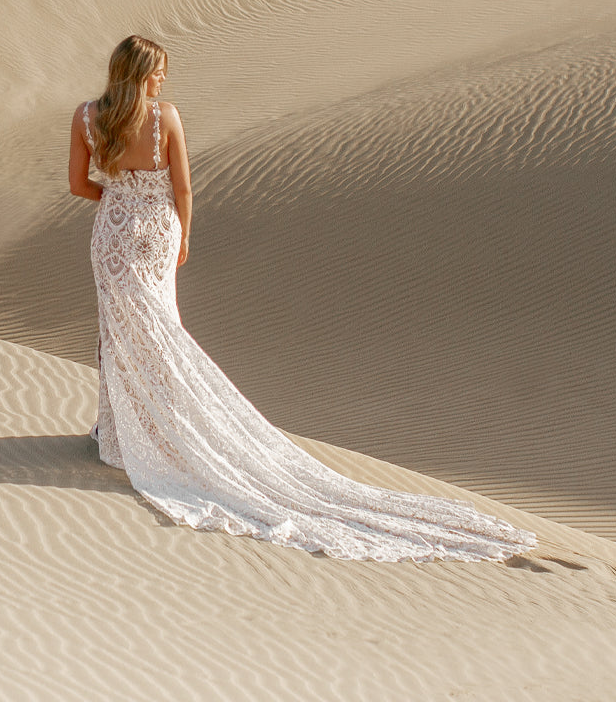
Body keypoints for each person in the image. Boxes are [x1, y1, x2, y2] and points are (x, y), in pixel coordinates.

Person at [69, 34, 537, 561]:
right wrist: (183, 237)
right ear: (139, 73)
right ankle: (154, 428)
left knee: (121, 329)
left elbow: (79, 186)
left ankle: (119, 434)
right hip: (155, 232)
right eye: (157, 72)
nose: (163, 81)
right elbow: (183, 189)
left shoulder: (88, 116)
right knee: (160, 328)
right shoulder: (166, 118)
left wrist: (119, 196)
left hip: (111, 232)